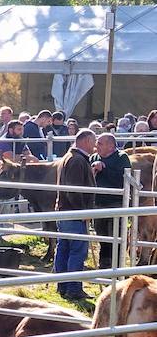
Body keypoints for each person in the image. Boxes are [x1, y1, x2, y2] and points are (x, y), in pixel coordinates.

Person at [54, 129, 97, 300]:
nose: (94, 146)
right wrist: (83, 212)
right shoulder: (78, 160)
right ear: (86, 141)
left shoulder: (70, 157)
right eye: (94, 141)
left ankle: (63, 286)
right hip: (74, 213)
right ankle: (73, 288)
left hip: (65, 211)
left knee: (64, 249)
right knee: (77, 251)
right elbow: (74, 190)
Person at [92, 132, 131, 270]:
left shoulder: (122, 158)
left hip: (116, 203)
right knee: (102, 234)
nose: (97, 146)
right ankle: (105, 263)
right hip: (98, 203)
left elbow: (124, 180)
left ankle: (118, 266)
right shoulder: (94, 157)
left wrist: (105, 169)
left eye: (100, 143)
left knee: (116, 235)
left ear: (111, 145)